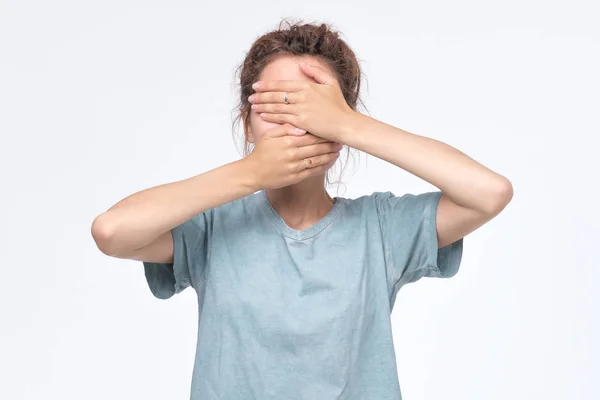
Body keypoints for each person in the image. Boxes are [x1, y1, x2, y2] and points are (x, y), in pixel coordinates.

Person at [91, 19, 513, 400]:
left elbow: (489, 193)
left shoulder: (381, 229)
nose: (294, 125)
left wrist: (348, 123)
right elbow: (112, 232)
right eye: (278, 108)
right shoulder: (212, 227)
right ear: (247, 123)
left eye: (312, 111)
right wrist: (252, 172)